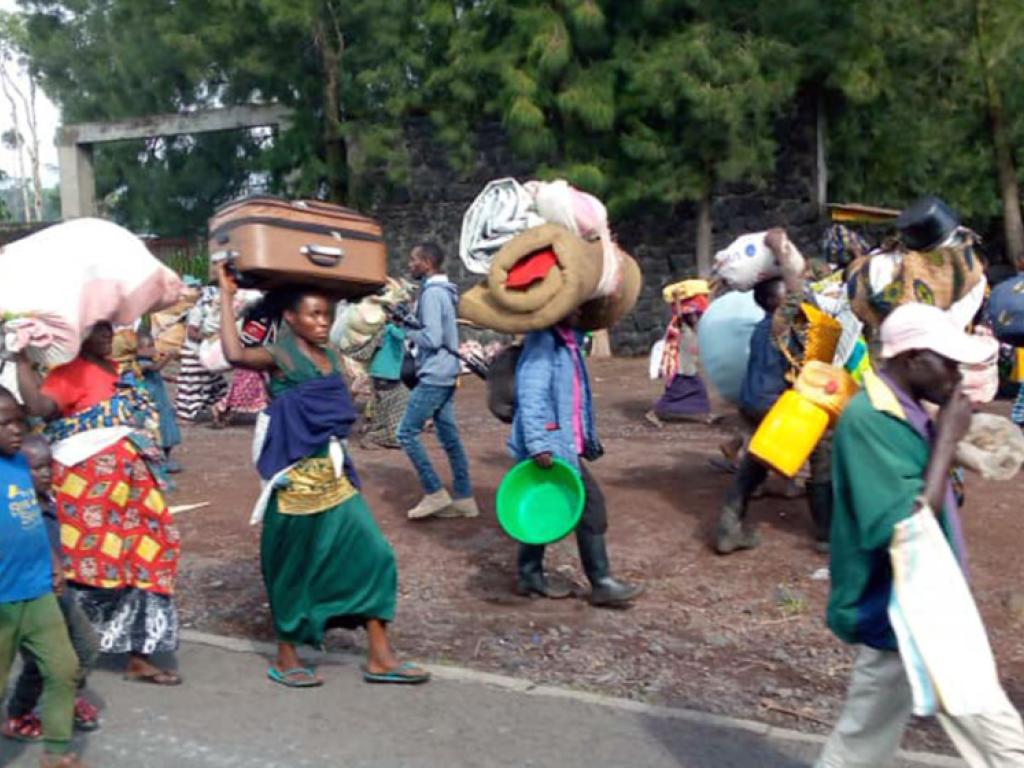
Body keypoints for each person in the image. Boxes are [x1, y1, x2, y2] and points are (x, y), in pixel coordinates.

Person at [816, 303, 1024, 767]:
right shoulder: (869, 418)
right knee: (1002, 739)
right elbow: (904, 523)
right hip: (910, 603)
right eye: (947, 362)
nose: (957, 374)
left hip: (911, 598)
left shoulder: (902, 408)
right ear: (911, 359)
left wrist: (953, 442)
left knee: (861, 743)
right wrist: (946, 440)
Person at [216, 265, 429, 688]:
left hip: (334, 477)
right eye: (312, 315)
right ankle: (287, 653)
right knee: (293, 568)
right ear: (291, 318)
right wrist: (225, 295)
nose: (321, 322)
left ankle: (380, 657)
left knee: (374, 555)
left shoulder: (331, 355)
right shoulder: (279, 353)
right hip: (294, 481)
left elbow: (337, 409)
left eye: (326, 316)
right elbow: (236, 355)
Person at [16, 321, 182, 686]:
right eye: (94, 328)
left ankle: (139, 655)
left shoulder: (123, 372)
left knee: (148, 558)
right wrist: (21, 358)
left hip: (136, 485)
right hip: (90, 488)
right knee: (91, 566)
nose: (105, 334)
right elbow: (40, 406)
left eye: (108, 327)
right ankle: (62, 652)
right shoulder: (68, 372)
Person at [509, 309, 643, 606]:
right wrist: (539, 444)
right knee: (591, 507)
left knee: (543, 507)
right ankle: (601, 582)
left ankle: (529, 574)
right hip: (550, 445)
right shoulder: (543, 341)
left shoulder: (568, 341)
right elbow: (531, 395)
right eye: (577, 306)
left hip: (560, 442)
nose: (582, 312)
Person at [0, 387, 86, 768]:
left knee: (63, 668)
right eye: (4, 423)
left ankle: (56, 753)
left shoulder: (20, 463)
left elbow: (30, 519)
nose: (16, 430)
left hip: (36, 590)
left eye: (16, 421)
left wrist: (53, 562)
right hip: (2, 599)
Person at [4, 435, 100, 743]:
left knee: (83, 648)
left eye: (49, 466)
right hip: (30, 595)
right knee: (43, 661)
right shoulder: (16, 505)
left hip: (57, 591)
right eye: (36, 468)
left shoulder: (46, 499)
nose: (46, 474)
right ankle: (19, 714)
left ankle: (64, 696)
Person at [397, 243, 478, 520]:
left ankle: (435, 492)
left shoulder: (432, 294)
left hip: (434, 373)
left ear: (428, 263)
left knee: (405, 433)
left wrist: (404, 329)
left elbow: (431, 338)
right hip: (447, 371)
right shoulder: (443, 292)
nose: (410, 265)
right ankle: (465, 498)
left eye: (414, 260)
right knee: (448, 437)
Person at [645, 293, 714, 427]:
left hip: (689, 368)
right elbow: (679, 315)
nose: (696, 319)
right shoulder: (682, 328)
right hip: (680, 369)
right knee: (674, 394)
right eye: (693, 317)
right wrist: (677, 299)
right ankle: (654, 413)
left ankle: (706, 415)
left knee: (700, 391)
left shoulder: (695, 329)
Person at [175, 284, 228, 423]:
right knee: (191, 385)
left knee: (213, 382)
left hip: (207, 353)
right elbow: (191, 332)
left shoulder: (217, 313)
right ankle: (185, 416)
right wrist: (208, 338)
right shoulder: (198, 311)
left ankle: (214, 409)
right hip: (193, 352)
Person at [135, 330, 183, 473]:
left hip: (161, 401)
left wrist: (169, 378)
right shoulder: (139, 364)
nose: (153, 349)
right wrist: (169, 357)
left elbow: (156, 372)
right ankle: (158, 459)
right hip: (151, 403)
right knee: (156, 429)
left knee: (167, 429)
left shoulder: (148, 362)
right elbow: (155, 368)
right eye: (149, 346)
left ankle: (166, 458)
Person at [361, 321, 409, 450]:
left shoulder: (385, 329)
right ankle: (375, 437)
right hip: (386, 374)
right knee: (399, 403)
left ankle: (375, 434)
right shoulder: (392, 329)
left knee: (382, 409)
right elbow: (401, 335)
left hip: (380, 373)